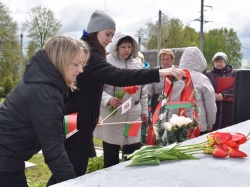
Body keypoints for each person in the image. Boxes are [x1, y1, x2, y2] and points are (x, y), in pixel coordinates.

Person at [45, 10, 182, 184]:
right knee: (71, 172)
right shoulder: (88, 53)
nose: (110, 39)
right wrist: (159, 72)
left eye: (112, 35)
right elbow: (116, 75)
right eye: (108, 34)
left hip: (78, 119)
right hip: (76, 121)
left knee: (70, 170)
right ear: (96, 31)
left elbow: (87, 90)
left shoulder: (89, 50)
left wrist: (94, 114)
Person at [0, 35, 89, 187]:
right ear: (62, 61)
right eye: (76, 64)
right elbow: (53, 150)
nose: (81, 70)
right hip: (5, 160)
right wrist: (74, 184)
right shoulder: (44, 93)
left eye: (82, 65)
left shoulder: (42, 82)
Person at [93, 32, 148, 168]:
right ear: (116, 47)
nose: (127, 50)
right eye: (123, 47)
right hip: (113, 115)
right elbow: (97, 88)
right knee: (111, 153)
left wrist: (144, 111)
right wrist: (108, 99)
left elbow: (144, 89)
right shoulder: (106, 61)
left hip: (133, 114)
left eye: (129, 46)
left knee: (132, 152)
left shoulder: (137, 63)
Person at [179, 47, 217, 135]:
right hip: (198, 125)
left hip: (177, 126)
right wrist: (210, 123)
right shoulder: (202, 79)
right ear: (201, 60)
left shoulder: (174, 77)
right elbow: (210, 105)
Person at [147, 49, 185, 120]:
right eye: (163, 59)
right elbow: (148, 91)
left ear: (172, 60)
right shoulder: (154, 73)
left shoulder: (179, 72)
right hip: (158, 108)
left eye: (167, 59)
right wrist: (144, 106)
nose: (165, 62)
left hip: (175, 109)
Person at [206, 52, 235, 131]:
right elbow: (205, 88)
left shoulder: (233, 73)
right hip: (214, 107)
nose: (219, 64)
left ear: (225, 62)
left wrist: (223, 94)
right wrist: (213, 95)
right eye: (216, 62)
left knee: (227, 130)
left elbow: (236, 87)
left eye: (221, 61)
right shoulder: (208, 75)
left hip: (228, 107)